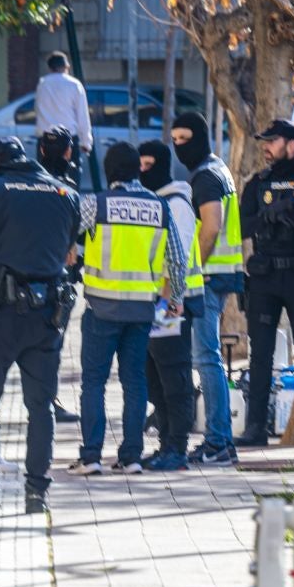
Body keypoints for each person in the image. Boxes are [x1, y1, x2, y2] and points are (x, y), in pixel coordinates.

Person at [0, 136, 83, 513]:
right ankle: (36, 494)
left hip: (1, 311)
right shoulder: (65, 192)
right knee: (40, 405)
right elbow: (69, 248)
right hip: (49, 312)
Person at [69, 143, 185, 476]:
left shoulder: (96, 204)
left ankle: (91, 456)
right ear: (138, 170)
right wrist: (174, 298)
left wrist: (70, 251)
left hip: (101, 308)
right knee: (135, 382)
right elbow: (176, 259)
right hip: (141, 311)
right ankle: (132, 456)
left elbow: (67, 227)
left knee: (94, 382)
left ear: (109, 171)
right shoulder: (159, 208)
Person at [236, 118, 294, 445]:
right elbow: (240, 228)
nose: (266, 147)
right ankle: (255, 428)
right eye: (265, 141)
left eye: (272, 141)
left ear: (292, 145)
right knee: (261, 356)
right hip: (265, 276)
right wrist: (267, 216)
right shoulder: (258, 182)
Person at [170, 111, 244, 466]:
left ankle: (218, 442)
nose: (179, 145)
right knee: (208, 357)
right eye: (175, 139)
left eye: (185, 138)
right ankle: (220, 440)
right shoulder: (219, 169)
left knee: (206, 358)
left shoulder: (205, 178)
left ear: (199, 137)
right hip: (222, 275)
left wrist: (186, 274)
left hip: (209, 279)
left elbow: (211, 227)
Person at [139, 139, 203, 473]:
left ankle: (178, 447)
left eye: (149, 165)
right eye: (141, 165)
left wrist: (168, 301)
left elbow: (175, 260)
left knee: (174, 378)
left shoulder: (176, 202)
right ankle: (165, 443)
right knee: (155, 378)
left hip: (173, 303)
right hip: (156, 305)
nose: (143, 171)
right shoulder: (156, 200)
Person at [37, 126, 85, 425]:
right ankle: (46, 400)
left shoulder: (27, 182)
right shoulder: (68, 189)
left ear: (41, 150)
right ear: (69, 152)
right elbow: (75, 240)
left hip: (26, 276)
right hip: (59, 277)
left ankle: (40, 399)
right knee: (52, 343)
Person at [34, 52, 93, 168]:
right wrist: (86, 142)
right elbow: (82, 115)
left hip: (45, 139)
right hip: (67, 139)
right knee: (70, 179)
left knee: (46, 179)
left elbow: (37, 109)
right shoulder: (74, 84)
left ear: (50, 67)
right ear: (66, 67)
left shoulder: (42, 84)